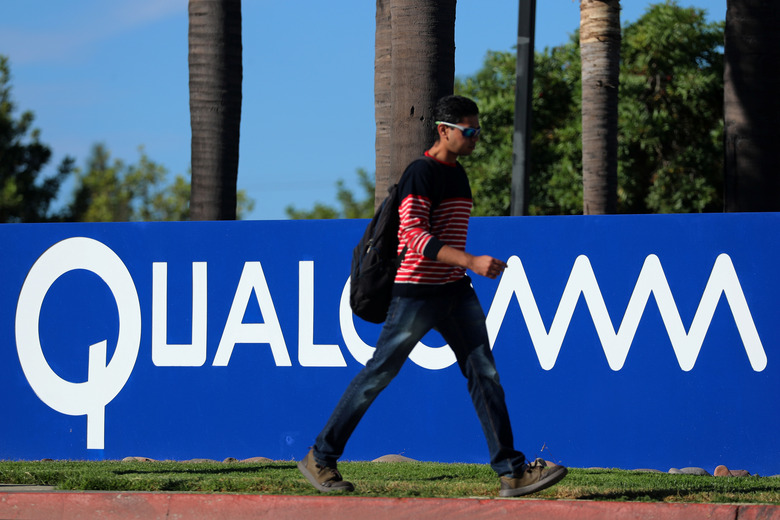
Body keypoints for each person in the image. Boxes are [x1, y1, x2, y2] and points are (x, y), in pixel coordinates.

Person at [298, 95, 567, 497]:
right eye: (469, 131)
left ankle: (512, 472)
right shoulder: (420, 173)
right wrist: (470, 260)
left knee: (485, 375)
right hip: (417, 292)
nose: (476, 138)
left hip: (454, 290)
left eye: (478, 131)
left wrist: (463, 266)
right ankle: (320, 457)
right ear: (444, 130)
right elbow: (415, 237)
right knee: (378, 374)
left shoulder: (459, 175)